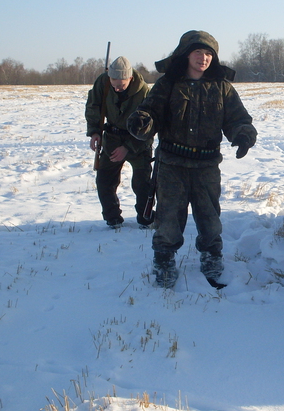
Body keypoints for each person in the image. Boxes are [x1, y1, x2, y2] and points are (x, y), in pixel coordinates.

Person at [128, 30, 257, 289]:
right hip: (172, 164)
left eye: (209, 53)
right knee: (168, 217)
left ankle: (212, 257)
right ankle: (164, 260)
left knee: (210, 218)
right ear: (186, 55)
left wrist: (243, 135)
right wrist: (142, 121)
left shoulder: (222, 87)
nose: (204, 58)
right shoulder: (168, 84)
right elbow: (149, 112)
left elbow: (238, 119)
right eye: (198, 52)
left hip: (207, 166)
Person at [85, 56, 153, 229]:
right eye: (113, 83)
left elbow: (148, 127)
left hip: (137, 140)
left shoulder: (145, 92)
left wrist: (128, 148)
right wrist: (94, 131)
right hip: (112, 138)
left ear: (130, 79)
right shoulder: (103, 82)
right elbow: (94, 105)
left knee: (142, 183)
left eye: (120, 85)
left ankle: (146, 218)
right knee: (104, 180)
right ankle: (112, 218)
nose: (116, 88)